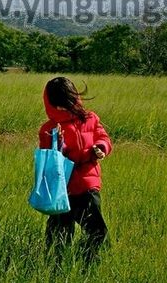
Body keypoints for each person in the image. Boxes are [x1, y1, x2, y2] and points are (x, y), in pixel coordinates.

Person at [38, 76, 112, 263]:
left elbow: (103, 138)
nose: (63, 108)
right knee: (59, 237)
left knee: (97, 231)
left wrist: (101, 148)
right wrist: (58, 145)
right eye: (59, 104)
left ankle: (87, 263)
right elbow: (48, 160)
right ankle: (56, 267)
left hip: (87, 186)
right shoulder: (49, 129)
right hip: (60, 189)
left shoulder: (90, 119)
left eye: (66, 102)